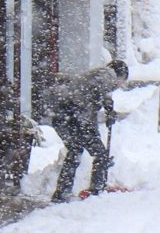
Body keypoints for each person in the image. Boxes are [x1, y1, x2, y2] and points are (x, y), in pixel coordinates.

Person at [48, 57, 130, 202]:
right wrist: (107, 112)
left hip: (63, 117)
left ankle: (62, 193)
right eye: (122, 80)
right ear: (120, 75)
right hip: (72, 118)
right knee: (99, 154)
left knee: (75, 151)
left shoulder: (100, 76)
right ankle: (96, 189)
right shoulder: (107, 77)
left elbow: (102, 96)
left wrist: (109, 110)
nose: (120, 85)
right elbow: (93, 103)